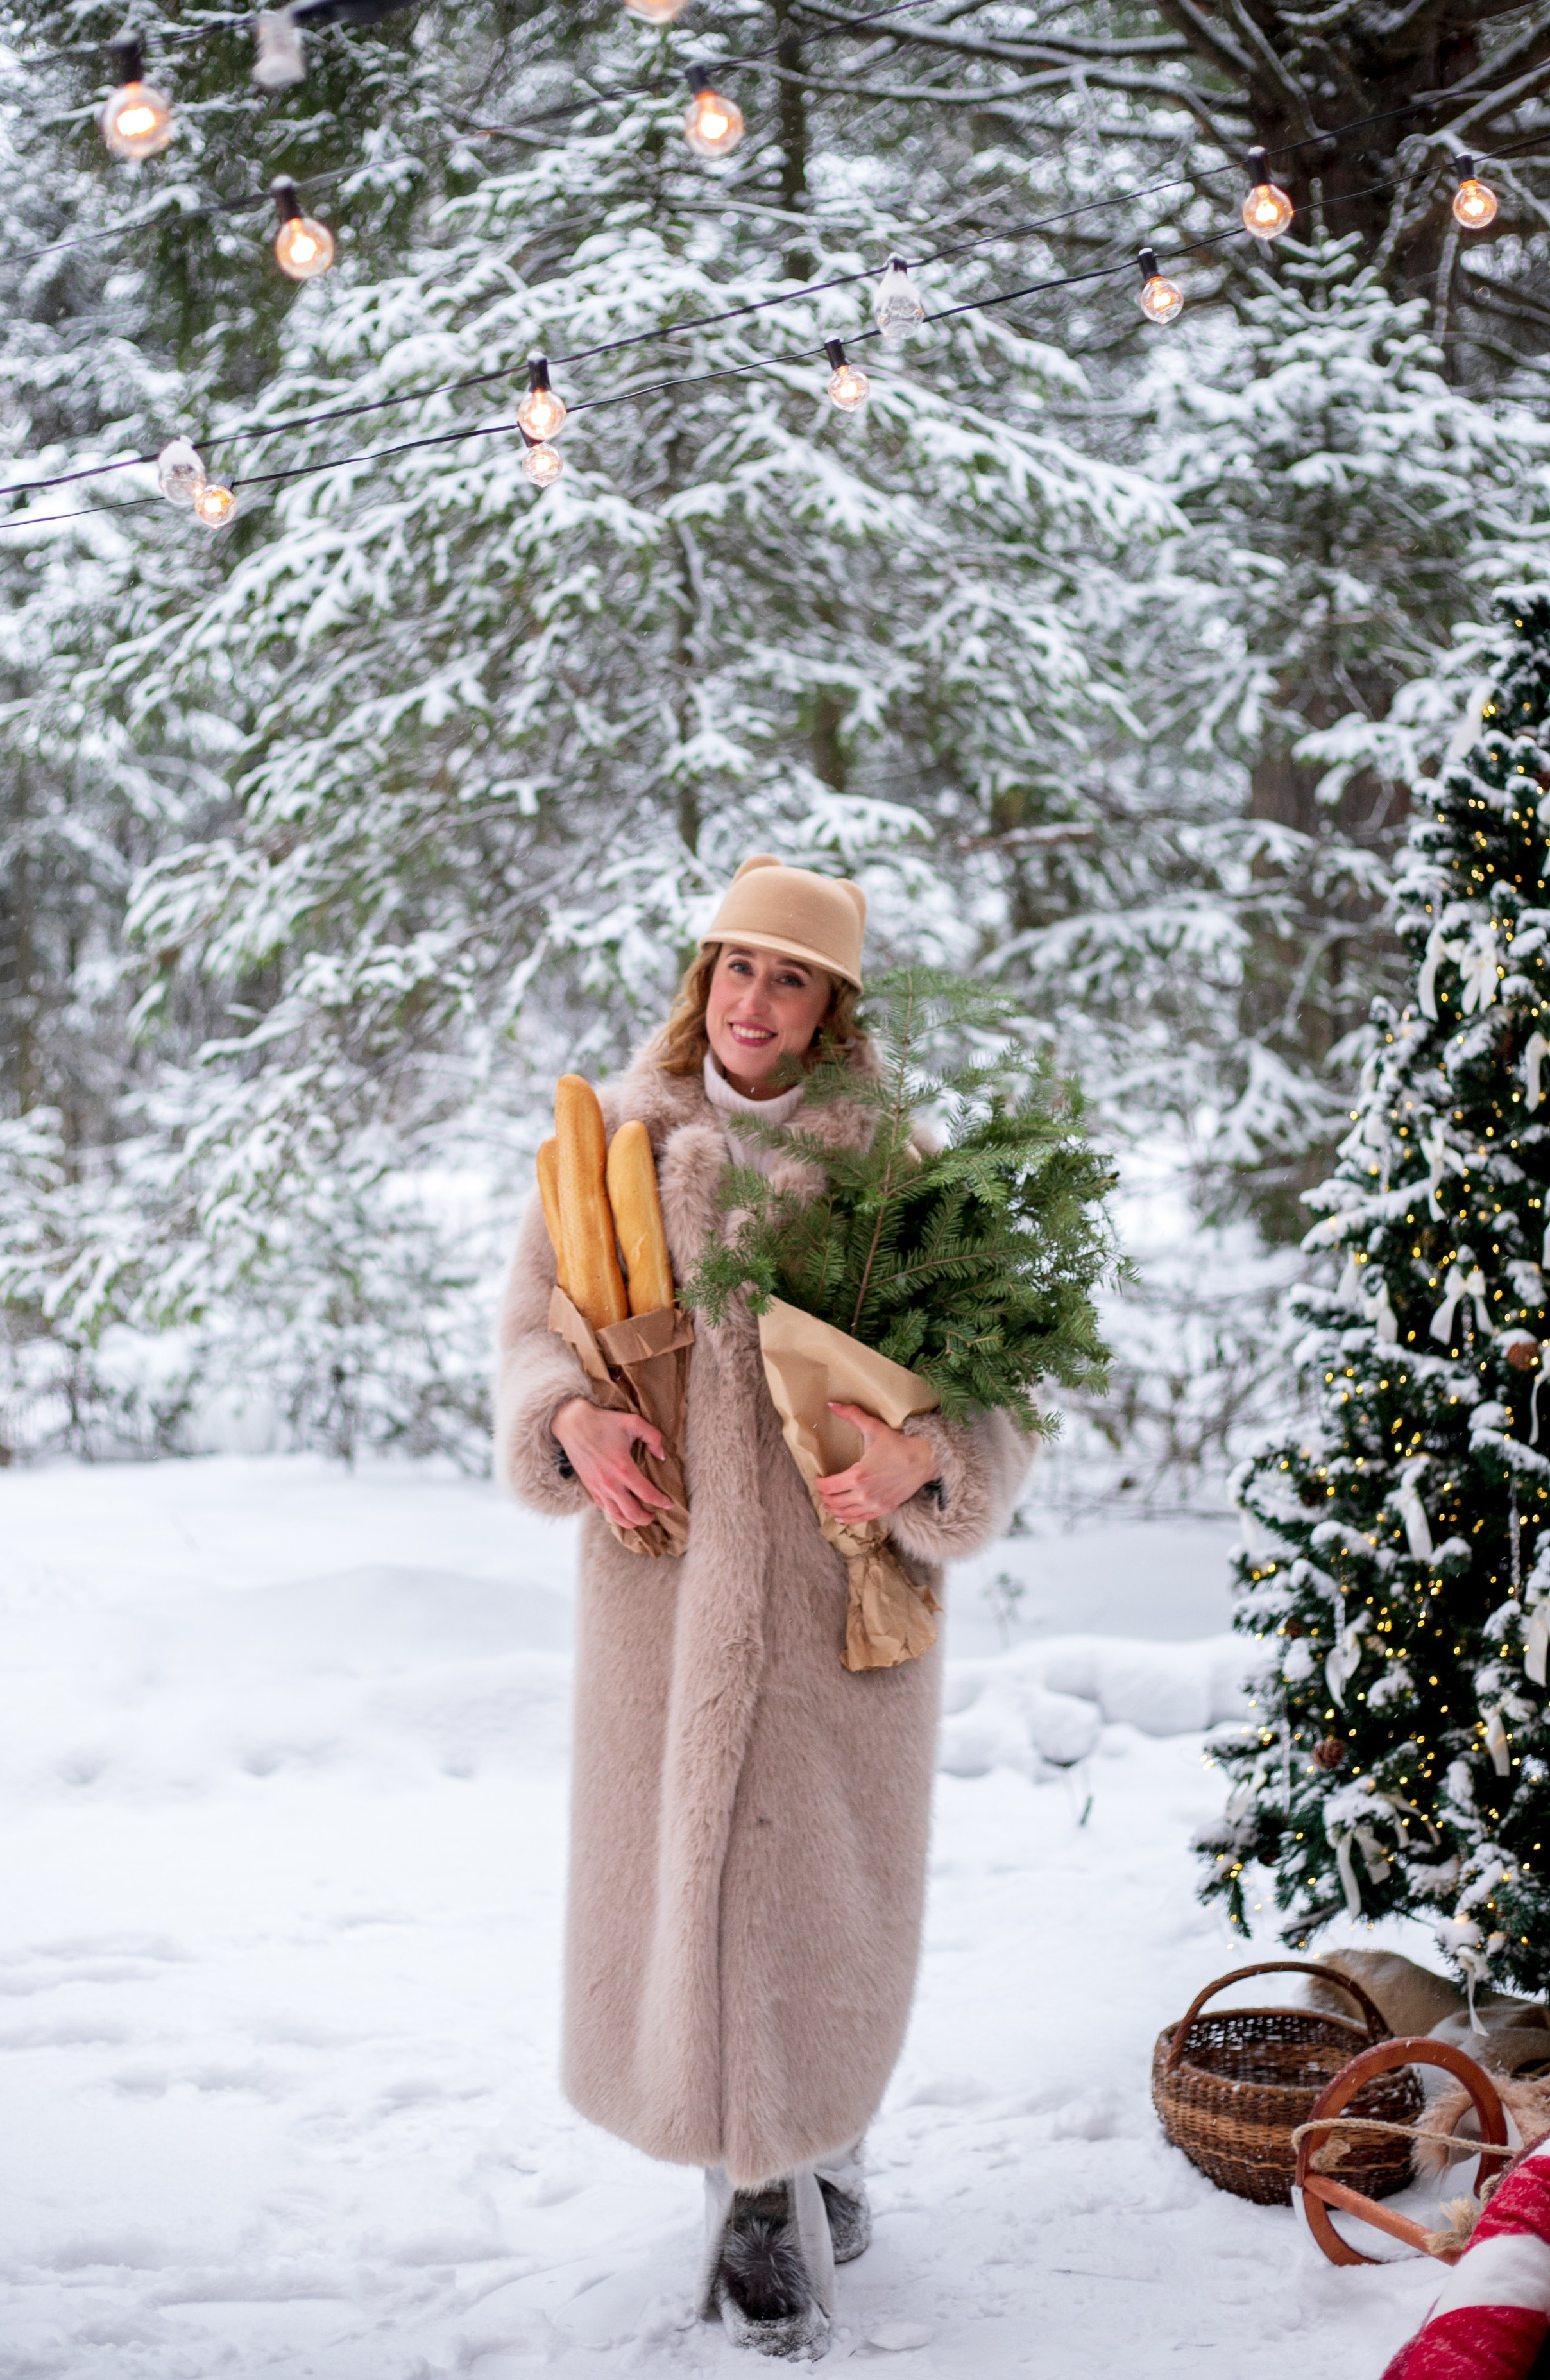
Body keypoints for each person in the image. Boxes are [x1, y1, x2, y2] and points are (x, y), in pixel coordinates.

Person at [495, 856, 1035, 2359]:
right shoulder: (608, 1145)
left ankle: (796, 2156)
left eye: (788, 978)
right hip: (660, 1600)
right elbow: (531, 1337)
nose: (753, 1000)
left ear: (831, 1010)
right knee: (684, 1889)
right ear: (701, 980)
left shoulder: (899, 1167)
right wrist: (568, 1426)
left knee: (812, 1896)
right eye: (736, 967)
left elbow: (996, 1389)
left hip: (834, 1612)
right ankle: (750, 2172)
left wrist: (926, 1454)